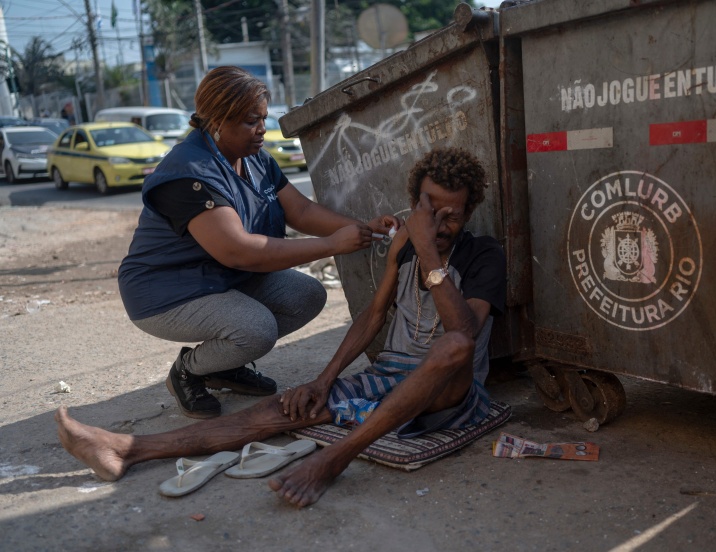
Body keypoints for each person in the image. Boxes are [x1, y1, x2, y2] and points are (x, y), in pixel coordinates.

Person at [56, 147, 506, 508]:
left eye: (454, 214)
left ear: (469, 212)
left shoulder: (483, 254)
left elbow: (463, 333)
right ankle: (128, 448)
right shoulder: (404, 249)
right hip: (390, 377)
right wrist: (323, 380)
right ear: (415, 204)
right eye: (433, 212)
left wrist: (428, 252)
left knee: (451, 347)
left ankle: (333, 460)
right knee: (280, 410)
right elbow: (372, 316)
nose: (442, 224)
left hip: (452, 391)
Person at [117, 65, 396, 419]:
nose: (263, 129)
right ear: (217, 120)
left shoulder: (255, 160)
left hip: (218, 279)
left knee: (307, 295)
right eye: (252, 121)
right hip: (166, 291)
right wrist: (331, 245)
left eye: (263, 118)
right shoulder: (188, 174)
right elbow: (239, 252)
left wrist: (361, 228)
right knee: (255, 329)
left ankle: (222, 366)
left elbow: (301, 211)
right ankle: (189, 369)